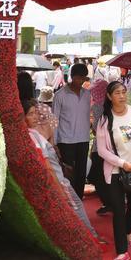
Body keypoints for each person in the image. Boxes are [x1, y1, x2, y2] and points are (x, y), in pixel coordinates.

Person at [22, 99, 98, 239]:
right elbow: (47, 166)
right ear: (23, 116)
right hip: (59, 182)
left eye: (35, 113)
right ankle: (91, 237)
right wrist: (59, 188)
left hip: (58, 181)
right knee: (76, 207)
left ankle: (87, 236)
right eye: (31, 114)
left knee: (74, 207)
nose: (35, 117)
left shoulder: (34, 134)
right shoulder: (32, 136)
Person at [96, 81, 131, 260]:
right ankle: (122, 251)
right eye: (117, 93)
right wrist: (121, 163)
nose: (121, 96)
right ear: (109, 96)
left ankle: (128, 231)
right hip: (115, 171)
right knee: (119, 210)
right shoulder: (105, 120)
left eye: (123, 92)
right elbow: (101, 150)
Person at [52, 63, 91, 199]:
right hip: (65, 140)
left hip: (83, 139)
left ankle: (78, 198)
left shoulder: (87, 94)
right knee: (68, 172)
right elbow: (54, 120)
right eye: (78, 78)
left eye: (83, 78)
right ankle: (68, 199)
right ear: (72, 77)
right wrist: (54, 142)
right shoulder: (60, 95)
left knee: (81, 172)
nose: (81, 81)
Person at [88, 78, 112, 215]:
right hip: (113, 147)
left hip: (100, 147)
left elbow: (96, 129)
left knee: (97, 176)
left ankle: (108, 203)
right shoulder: (113, 105)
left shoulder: (96, 107)